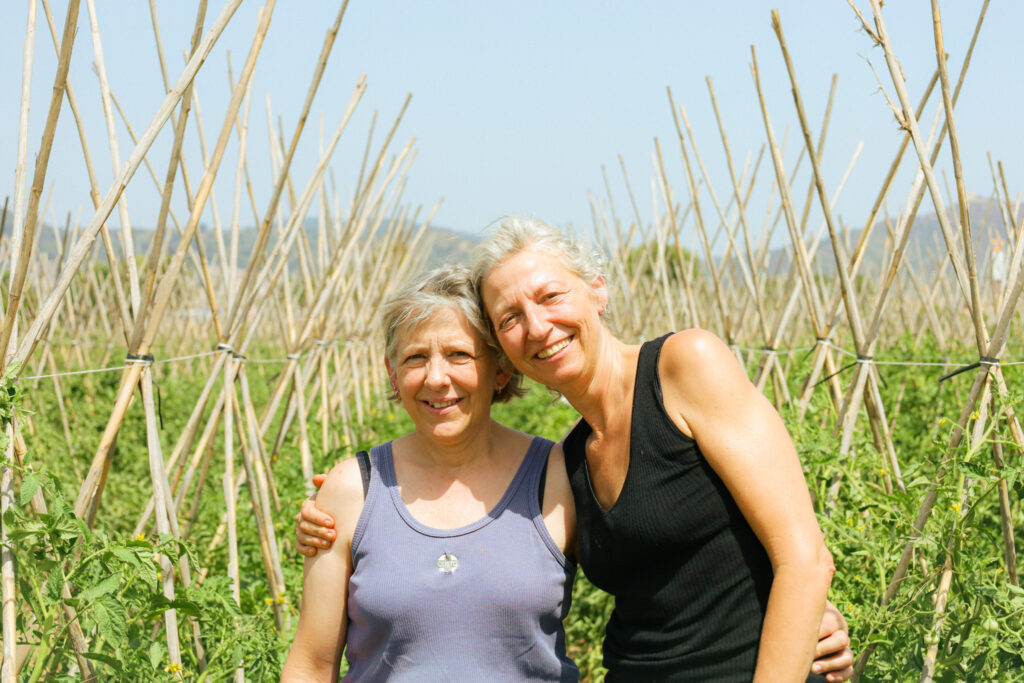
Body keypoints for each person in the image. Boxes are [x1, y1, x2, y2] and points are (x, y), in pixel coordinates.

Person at [297, 218, 855, 681]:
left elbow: (803, 558)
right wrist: (332, 522)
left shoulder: (685, 367)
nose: (538, 327)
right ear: (504, 350)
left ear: (598, 290)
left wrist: (813, 617)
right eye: (510, 318)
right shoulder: (572, 460)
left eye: (550, 296)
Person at [281, 266, 580, 682]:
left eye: (459, 355)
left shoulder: (555, 477)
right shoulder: (354, 491)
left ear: (501, 371)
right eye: (415, 358)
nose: (437, 378)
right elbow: (311, 665)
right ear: (392, 373)